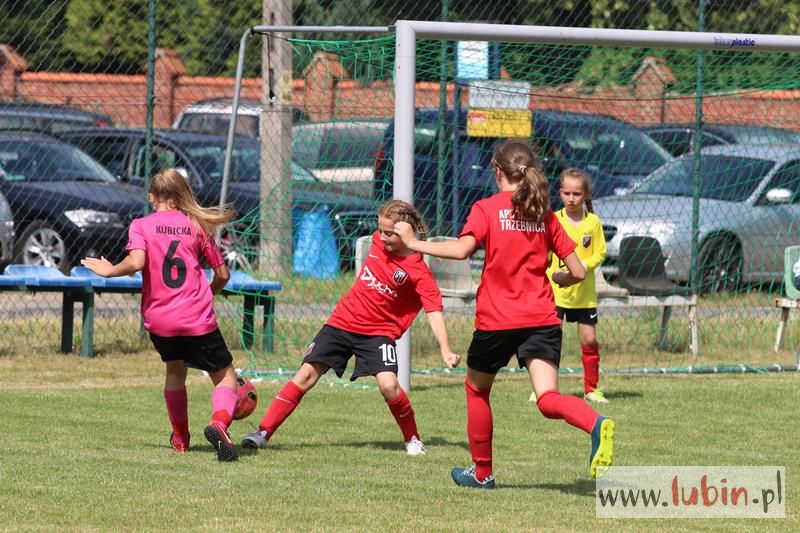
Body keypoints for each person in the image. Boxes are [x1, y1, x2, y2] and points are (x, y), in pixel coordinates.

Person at [394, 139, 615, 489]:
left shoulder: (486, 208)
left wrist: (412, 243)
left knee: (477, 390)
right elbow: (577, 270)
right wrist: (561, 277)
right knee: (548, 398)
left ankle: (482, 473)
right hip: (542, 318)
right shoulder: (543, 213)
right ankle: (595, 423)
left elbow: (462, 250)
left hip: (498, 319)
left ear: (497, 171)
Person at [241, 199, 461, 455]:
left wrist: (445, 348)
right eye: (380, 230)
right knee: (305, 375)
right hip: (342, 322)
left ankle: (412, 439)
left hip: (379, 333)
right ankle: (263, 433)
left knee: (389, 386)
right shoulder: (378, 242)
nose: (382, 237)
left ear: (406, 232)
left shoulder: (418, 271)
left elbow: (433, 310)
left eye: (390, 233)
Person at [81, 168, 240, 462]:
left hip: (160, 320)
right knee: (226, 377)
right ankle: (219, 423)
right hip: (195, 317)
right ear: (180, 196)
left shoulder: (141, 225)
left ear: (152, 197)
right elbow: (223, 275)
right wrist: (207, 294)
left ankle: (180, 438)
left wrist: (111, 270)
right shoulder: (197, 225)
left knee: (175, 371)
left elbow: (136, 262)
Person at [547, 168, 609, 403]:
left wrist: (581, 265)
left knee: (589, 340)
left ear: (586, 195)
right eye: (567, 193)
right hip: (556, 293)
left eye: (576, 194)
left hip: (584, 294)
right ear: (560, 193)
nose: (571, 198)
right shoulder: (553, 219)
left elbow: (600, 252)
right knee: (550, 339)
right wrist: (551, 274)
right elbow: (544, 253)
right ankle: (546, 387)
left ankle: (591, 389)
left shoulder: (593, 222)